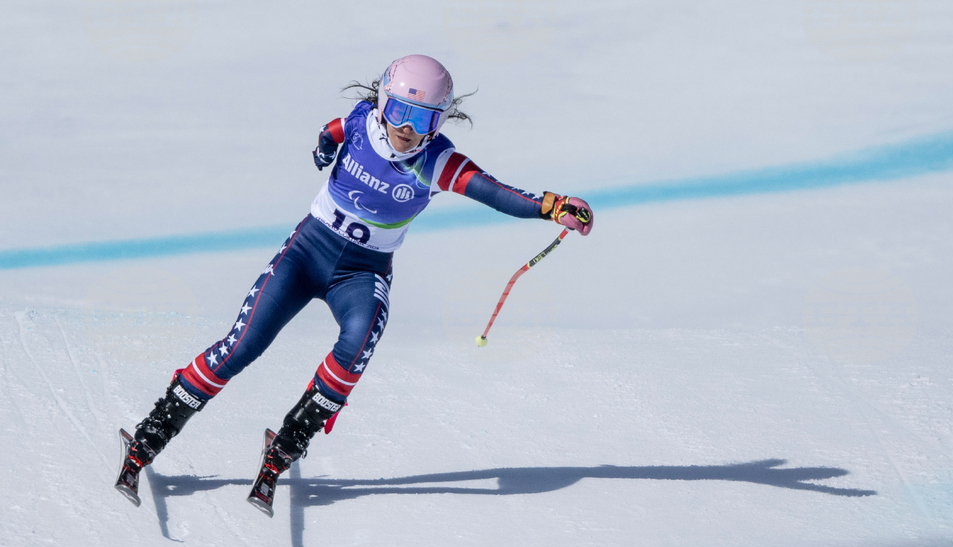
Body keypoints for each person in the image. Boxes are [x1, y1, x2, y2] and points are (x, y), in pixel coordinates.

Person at [114, 54, 594, 515]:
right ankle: (153, 431)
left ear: (440, 122)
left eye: (422, 119)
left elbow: (494, 192)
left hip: (362, 274)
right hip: (306, 255)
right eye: (399, 111)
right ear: (382, 103)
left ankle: (290, 441)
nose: (406, 128)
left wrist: (550, 206)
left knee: (360, 338)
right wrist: (324, 143)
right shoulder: (365, 120)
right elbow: (336, 129)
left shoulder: (438, 162)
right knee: (244, 346)